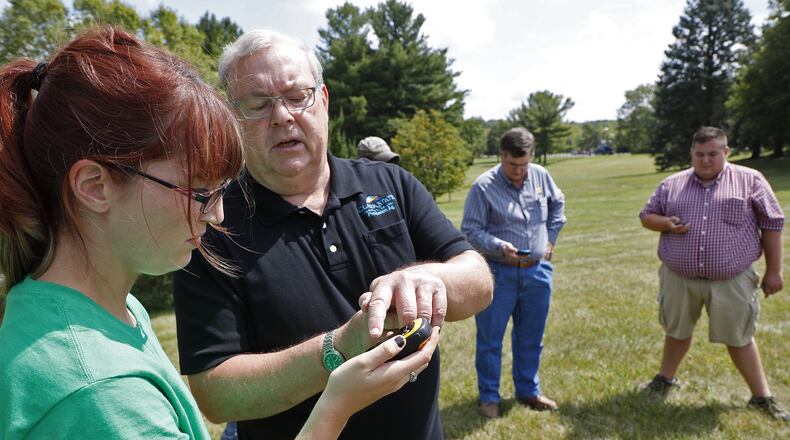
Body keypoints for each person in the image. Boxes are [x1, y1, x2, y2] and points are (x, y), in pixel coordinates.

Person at [0, 26, 440, 439]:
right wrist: (335, 406)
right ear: (95, 187)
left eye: (223, 189)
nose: (217, 214)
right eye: (201, 191)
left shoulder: (110, 309)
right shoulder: (100, 390)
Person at [172, 28, 493, 440]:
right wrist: (339, 347)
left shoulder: (391, 184)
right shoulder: (213, 224)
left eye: (296, 96)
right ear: (232, 120)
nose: (282, 116)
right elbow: (216, 395)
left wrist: (428, 280)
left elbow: (479, 281)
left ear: (323, 100)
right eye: (257, 104)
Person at [639, 126, 788, 420]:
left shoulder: (750, 180)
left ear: (726, 152)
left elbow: (772, 225)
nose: (705, 160)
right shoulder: (673, 184)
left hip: (731, 279)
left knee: (740, 337)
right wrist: (667, 224)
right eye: (699, 154)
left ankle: (761, 397)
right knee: (677, 331)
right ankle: (664, 379)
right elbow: (647, 216)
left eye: (712, 154)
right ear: (692, 153)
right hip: (679, 278)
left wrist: (774, 272)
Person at [461, 127, 566, 419]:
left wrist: (551, 239)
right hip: (497, 273)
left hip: (537, 273)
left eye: (524, 165)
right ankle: (489, 398)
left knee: (531, 336)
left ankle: (528, 391)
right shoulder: (483, 186)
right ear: (501, 155)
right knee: (490, 340)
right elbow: (470, 230)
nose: (519, 172)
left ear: (531, 157)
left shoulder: (541, 176)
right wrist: (497, 246)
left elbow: (559, 206)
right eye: (512, 165)